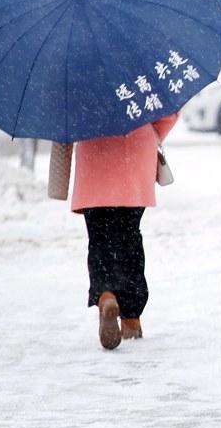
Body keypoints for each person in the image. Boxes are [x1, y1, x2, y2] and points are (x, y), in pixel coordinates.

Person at [71, 114, 178, 350]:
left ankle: (106, 295)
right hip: (136, 149)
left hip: (94, 150)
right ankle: (131, 317)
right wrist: (152, 133)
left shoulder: (81, 77)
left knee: (99, 239)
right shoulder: (141, 76)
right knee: (130, 236)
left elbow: (65, 116)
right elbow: (170, 109)